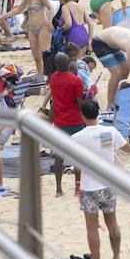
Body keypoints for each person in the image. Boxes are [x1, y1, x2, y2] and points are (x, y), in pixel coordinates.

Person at [75, 98, 130, 259]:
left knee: (91, 227)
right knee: (112, 223)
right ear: (98, 112)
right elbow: (127, 149)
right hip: (108, 183)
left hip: (89, 185)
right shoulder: (109, 131)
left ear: (82, 115)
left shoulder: (76, 137)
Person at [48, 51, 87, 196]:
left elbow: (55, 100)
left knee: (59, 157)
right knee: (77, 156)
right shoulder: (76, 80)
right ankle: (78, 188)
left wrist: (50, 119)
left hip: (59, 121)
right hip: (75, 120)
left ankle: (58, 188)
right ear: (68, 63)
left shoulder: (53, 78)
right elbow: (79, 102)